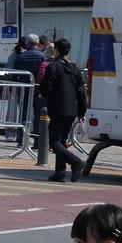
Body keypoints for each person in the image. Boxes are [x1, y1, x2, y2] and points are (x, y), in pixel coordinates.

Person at [39, 37, 87, 183]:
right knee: (61, 141)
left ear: (57, 50)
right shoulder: (75, 69)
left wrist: (44, 93)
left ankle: (75, 162)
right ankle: (59, 172)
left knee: (54, 142)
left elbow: (46, 88)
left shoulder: (53, 67)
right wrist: (81, 111)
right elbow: (81, 92)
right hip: (71, 110)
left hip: (57, 108)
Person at [14, 34, 51, 143]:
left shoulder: (21, 56)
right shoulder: (42, 56)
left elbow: (15, 74)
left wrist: (14, 86)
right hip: (38, 88)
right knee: (38, 113)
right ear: (37, 43)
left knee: (23, 113)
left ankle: (21, 138)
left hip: (24, 88)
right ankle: (37, 138)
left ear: (27, 43)